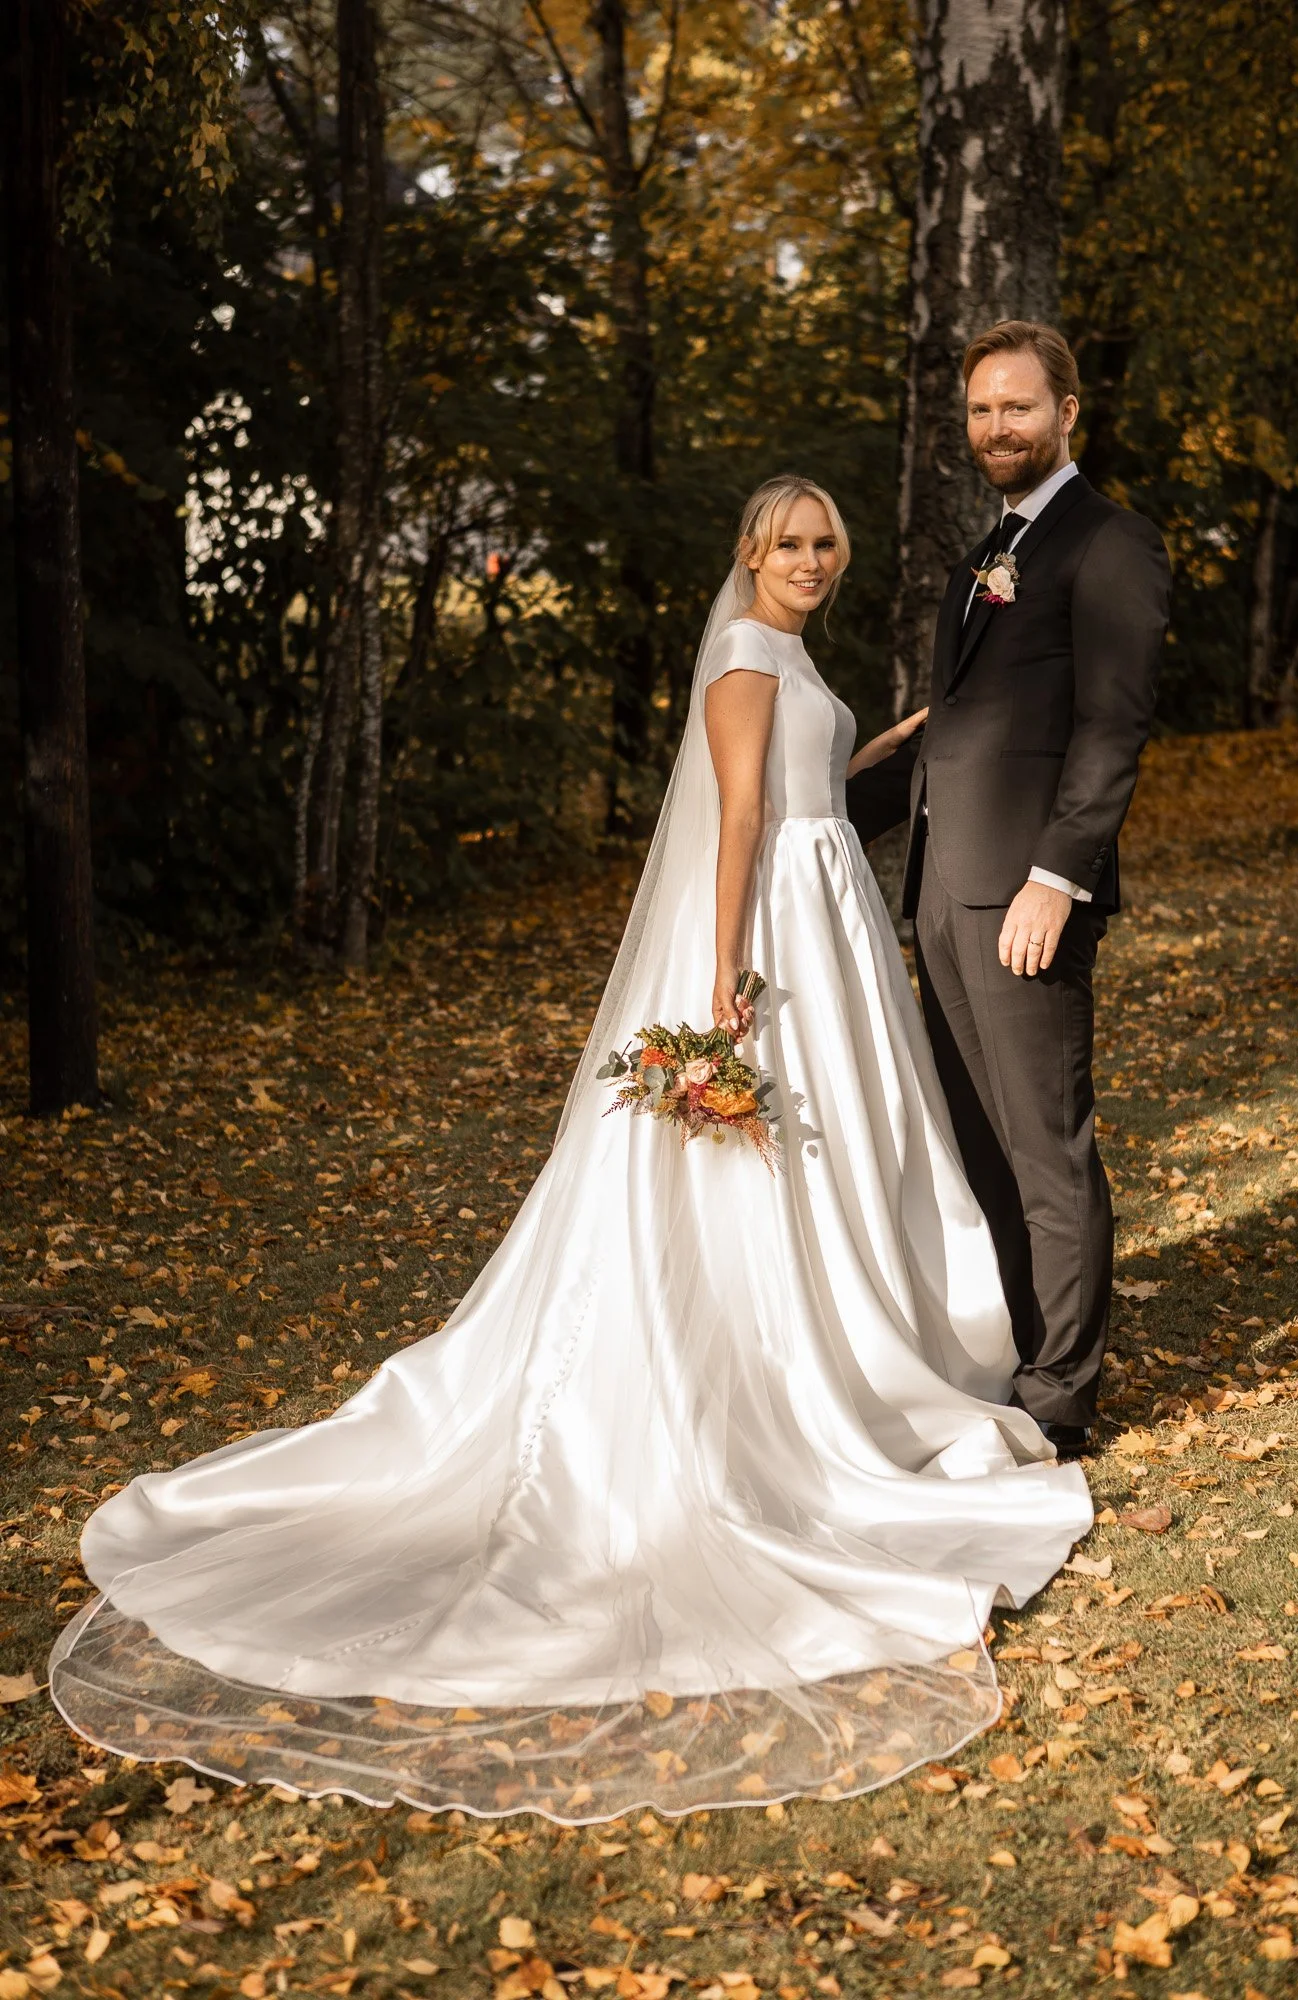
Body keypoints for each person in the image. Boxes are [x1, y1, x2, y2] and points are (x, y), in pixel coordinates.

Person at [51, 476, 1092, 1827]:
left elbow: (801, 786)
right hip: (777, 932)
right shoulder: (736, 652)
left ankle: (852, 1347)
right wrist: (726, 977)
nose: (812, 559)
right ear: (750, 552)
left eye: (827, 541)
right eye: (789, 542)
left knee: (844, 1168)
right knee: (766, 1174)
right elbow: (731, 822)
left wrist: (897, 735)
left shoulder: (789, 654)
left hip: (823, 903)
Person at [847, 321, 1173, 1459]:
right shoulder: (988, 550)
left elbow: (1110, 725)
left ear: (1067, 411)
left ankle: (1062, 1395)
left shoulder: (1110, 543)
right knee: (979, 1141)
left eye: (1018, 408)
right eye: (982, 411)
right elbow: (959, 727)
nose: (997, 428)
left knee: (1044, 1145)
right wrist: (819, 804)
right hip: (942, 892)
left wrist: (1056, 877)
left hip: (1027, 896)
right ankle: (1019, 1351)